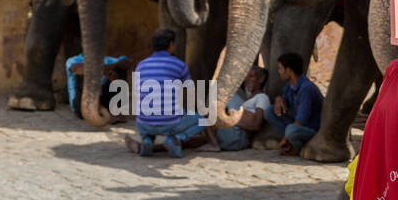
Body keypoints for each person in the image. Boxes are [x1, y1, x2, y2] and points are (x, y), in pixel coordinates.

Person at [126, 29, 200, 158]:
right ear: (171, 44)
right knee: (202, 120)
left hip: (143, 123)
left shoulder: (141, 65)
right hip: (169, 125)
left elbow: (137, 94)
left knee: (147, 113)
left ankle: (147, 139)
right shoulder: (179, 65)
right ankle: (176, 139)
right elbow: (191, 94)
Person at [264, 52, 324, 156]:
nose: (279, 72)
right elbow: (285, 104)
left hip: (312, 130)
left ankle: (299, 148)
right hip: (297, 126)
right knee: (269, 111)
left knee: (291, 130)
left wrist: (284, 139)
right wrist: (279, 98)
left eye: (281, 68)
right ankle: (291, 143)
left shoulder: (306, 88)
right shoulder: (289, 85)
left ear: (289, 71)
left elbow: (301, 121)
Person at [213, 66, 270, 152]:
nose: (247, 79)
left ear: (261, 79)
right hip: (233, 133)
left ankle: (212, 143)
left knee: (228, 93)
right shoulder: (246, 98)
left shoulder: (262, 97)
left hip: (238, 138)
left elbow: (256, 124)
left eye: (251, 76)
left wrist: (232, 121)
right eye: (246, 77)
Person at [65, 52, 131, 123]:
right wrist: (105, 70)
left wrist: (112, 76)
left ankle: (117, 111)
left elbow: (125, 62)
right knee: (83, 72)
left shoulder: (107, 59)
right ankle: (99, 112)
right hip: (83, 103)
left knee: (120, 70)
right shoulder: (74, 60)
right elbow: (77, 68)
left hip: (104, 99)